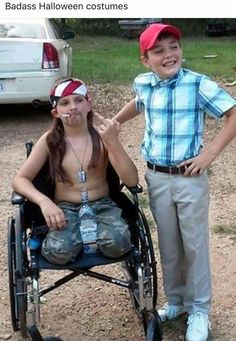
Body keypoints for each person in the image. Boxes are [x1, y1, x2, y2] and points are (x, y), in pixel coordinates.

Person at [114, 23, 236, 341]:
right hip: (156, 176)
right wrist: (114, 122)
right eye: (159, 50)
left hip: (189, 179)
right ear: (145, 59)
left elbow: (233, 113)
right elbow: (138, 102)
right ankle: (178, 302)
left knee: (194, 245)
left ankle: (199, 311)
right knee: (168, 243)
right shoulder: (144, 83)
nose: (169, 55)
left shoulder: (197, 84)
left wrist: (208, 154)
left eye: (173, 47)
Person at [13, 78, 139, 265]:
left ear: (88, 105)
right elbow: (20, 179)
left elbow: (132, 180)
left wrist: (113, 143)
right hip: (65, 209)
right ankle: (72, 240)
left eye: (79, 100)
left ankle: (91, 240)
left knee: (118, 245)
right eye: (65, 103)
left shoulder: (102, 138)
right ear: (55, 112)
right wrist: (44, 202)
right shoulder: (50, 141)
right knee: (57, 252)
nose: (73, 107)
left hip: (103, 205)